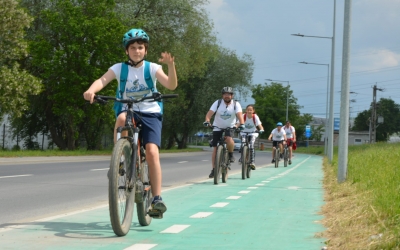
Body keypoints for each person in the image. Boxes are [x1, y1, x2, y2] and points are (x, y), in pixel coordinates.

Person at [83, 28, 177, 217]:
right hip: (129, 109)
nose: (136, 51)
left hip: (151, 112)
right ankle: (119, 159)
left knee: (151, 152)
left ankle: (157, 198)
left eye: (140, 47)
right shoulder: (119, 68)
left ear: (146, 50)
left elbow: (171, 85)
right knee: (120, 118)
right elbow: (102, 80)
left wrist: (170, 66)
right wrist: (91, 91)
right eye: (132, 47)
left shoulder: (152, 68)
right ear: (127, 51)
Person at [203, 87, 245, 178]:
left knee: (229, 139)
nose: (227, 96)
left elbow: (239, 115)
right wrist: (207, 121)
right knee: (215, 149)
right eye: (225, 94)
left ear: (232, 95)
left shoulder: (235, 104)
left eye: (228, 94)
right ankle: (214, 169)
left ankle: (230, 154)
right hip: (217, 127)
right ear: (222, 95)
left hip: (230, 127)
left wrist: (241, 123)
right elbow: (209, 114)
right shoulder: (217, 103)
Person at [238, 105, 264, 170]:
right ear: (246, 110)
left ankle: (252, 162)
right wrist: (235, 127)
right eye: (248, 110)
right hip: (244, 132)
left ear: (253, 111)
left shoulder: (255, 117)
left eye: (251, 110)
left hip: (253, 133)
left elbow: (260, 126)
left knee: (251, 145)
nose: (249, 111)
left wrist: (261, 129)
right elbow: (238, 124)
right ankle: (242, 158)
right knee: (243, 143)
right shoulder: (243, 116)